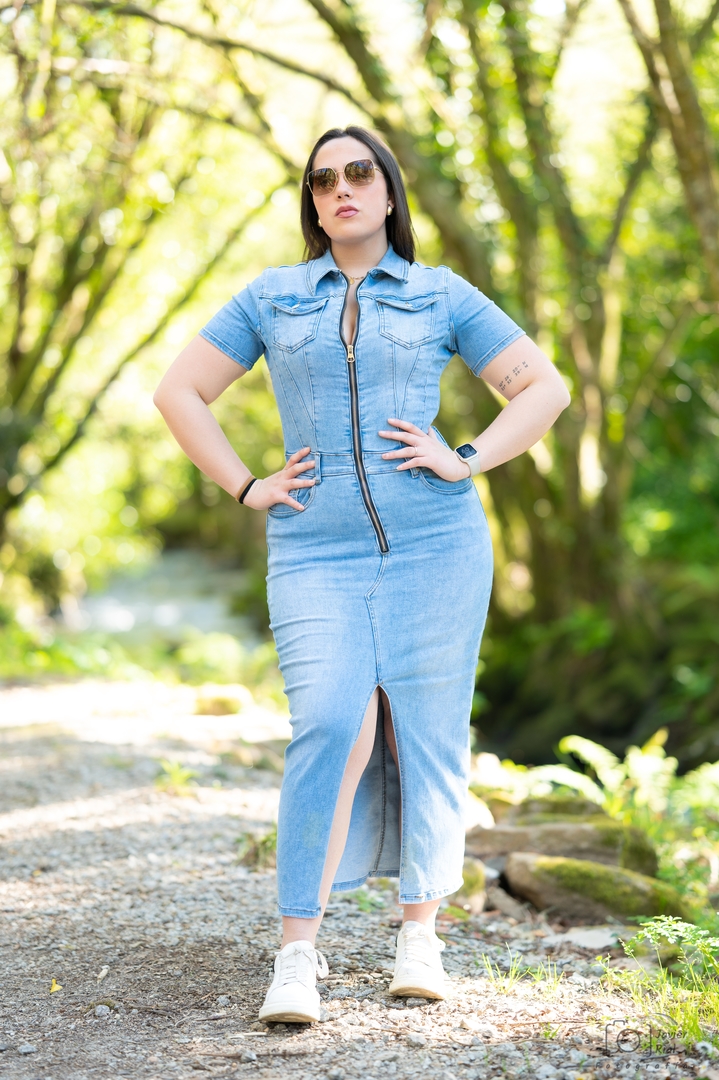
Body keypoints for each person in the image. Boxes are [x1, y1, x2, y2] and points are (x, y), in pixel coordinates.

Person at [154, 125, 569, 1023]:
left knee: (429, 732)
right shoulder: (270, 297)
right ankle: (296, 955)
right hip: (314, 549)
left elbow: (543, 388)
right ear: (311, 202)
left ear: (387, 192)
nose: (340, 188)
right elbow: (177, 392)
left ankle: (419, 936)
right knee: (329, 723)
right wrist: (246, 485)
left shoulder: (438, 294)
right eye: (322, 180)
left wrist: (464, 457)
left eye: (358, 173)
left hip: (436, 546)